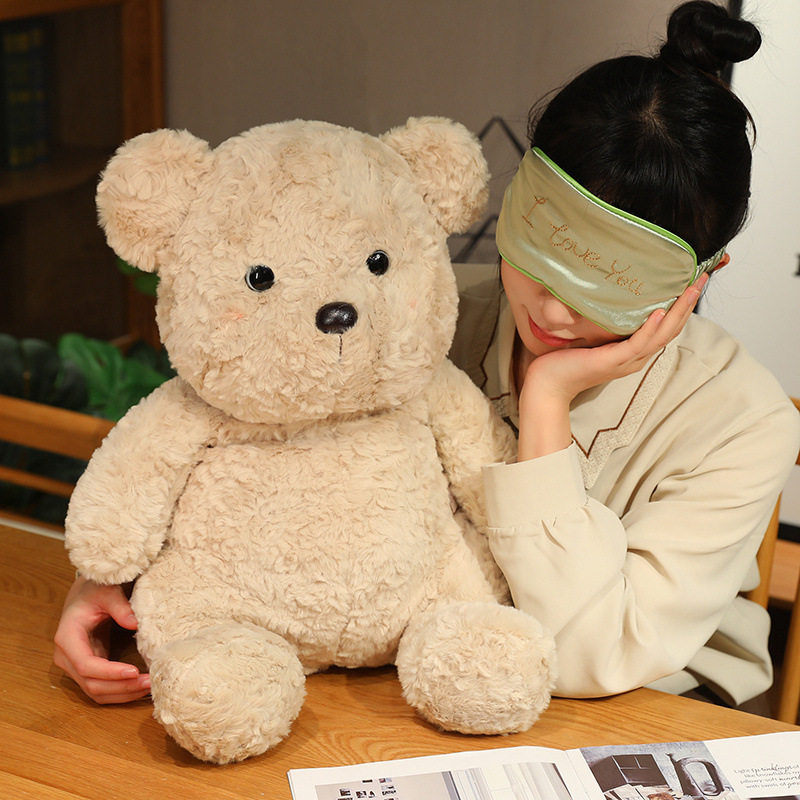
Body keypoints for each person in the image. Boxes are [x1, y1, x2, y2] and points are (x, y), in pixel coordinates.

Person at [54, 0, 800, 710]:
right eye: (546, 251)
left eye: (611, 283)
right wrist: (116, 586)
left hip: (657, 714)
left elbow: (584, 659)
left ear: (702, 277)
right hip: (395, 687)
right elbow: (248, 464)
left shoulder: (742, 419)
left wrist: (545, 402)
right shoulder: (413, 319)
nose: (553, 312)